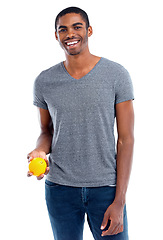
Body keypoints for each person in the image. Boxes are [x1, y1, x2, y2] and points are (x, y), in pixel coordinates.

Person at [27, 6, 134, 240]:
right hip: (60, 190)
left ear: (89, 30)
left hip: (106, 189)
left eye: (77, 27)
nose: (70, 34)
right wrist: (40, 150)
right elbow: (46, 131)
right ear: (56, 35)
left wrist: (120, 200)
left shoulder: (116, 75)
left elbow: (126, 139)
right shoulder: (44, 81)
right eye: (62, 29)